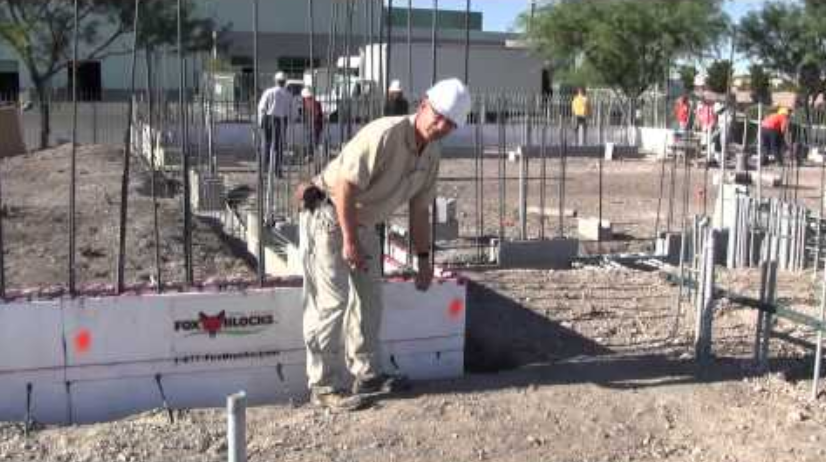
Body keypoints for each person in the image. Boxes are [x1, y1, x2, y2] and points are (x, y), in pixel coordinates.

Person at [297, 78, 471, 411]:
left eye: (450, 124)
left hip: (364, 223)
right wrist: (349, 239)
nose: (441, 126)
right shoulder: (385, 134)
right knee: (333, 303)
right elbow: (345, 187)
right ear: (423, 105)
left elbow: (420, 210)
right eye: (438, 117)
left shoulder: (432, 154)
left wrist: (423, 260)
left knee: (369, 300)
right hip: (330, 214)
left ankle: (366, 372)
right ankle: (323, 385)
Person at [257, 71, 293, 177]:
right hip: (282, 120)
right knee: (279, 146)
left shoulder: (269, 92)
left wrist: (261, 122)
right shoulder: (288, 94)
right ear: (285, 81)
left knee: (267, 144)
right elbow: (291, 111)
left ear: (275, 81)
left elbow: (262, 107)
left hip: (269, 119)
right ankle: (278, 170)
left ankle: (265, 168)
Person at [300, 87, 323, 156]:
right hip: (312, 124)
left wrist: (312, 121)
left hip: (314, 125)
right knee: (311, 140)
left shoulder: (312, 102)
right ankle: (311, 154)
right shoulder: (309, 102)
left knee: (312, 140)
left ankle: (312, 154)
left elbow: (317, 114)